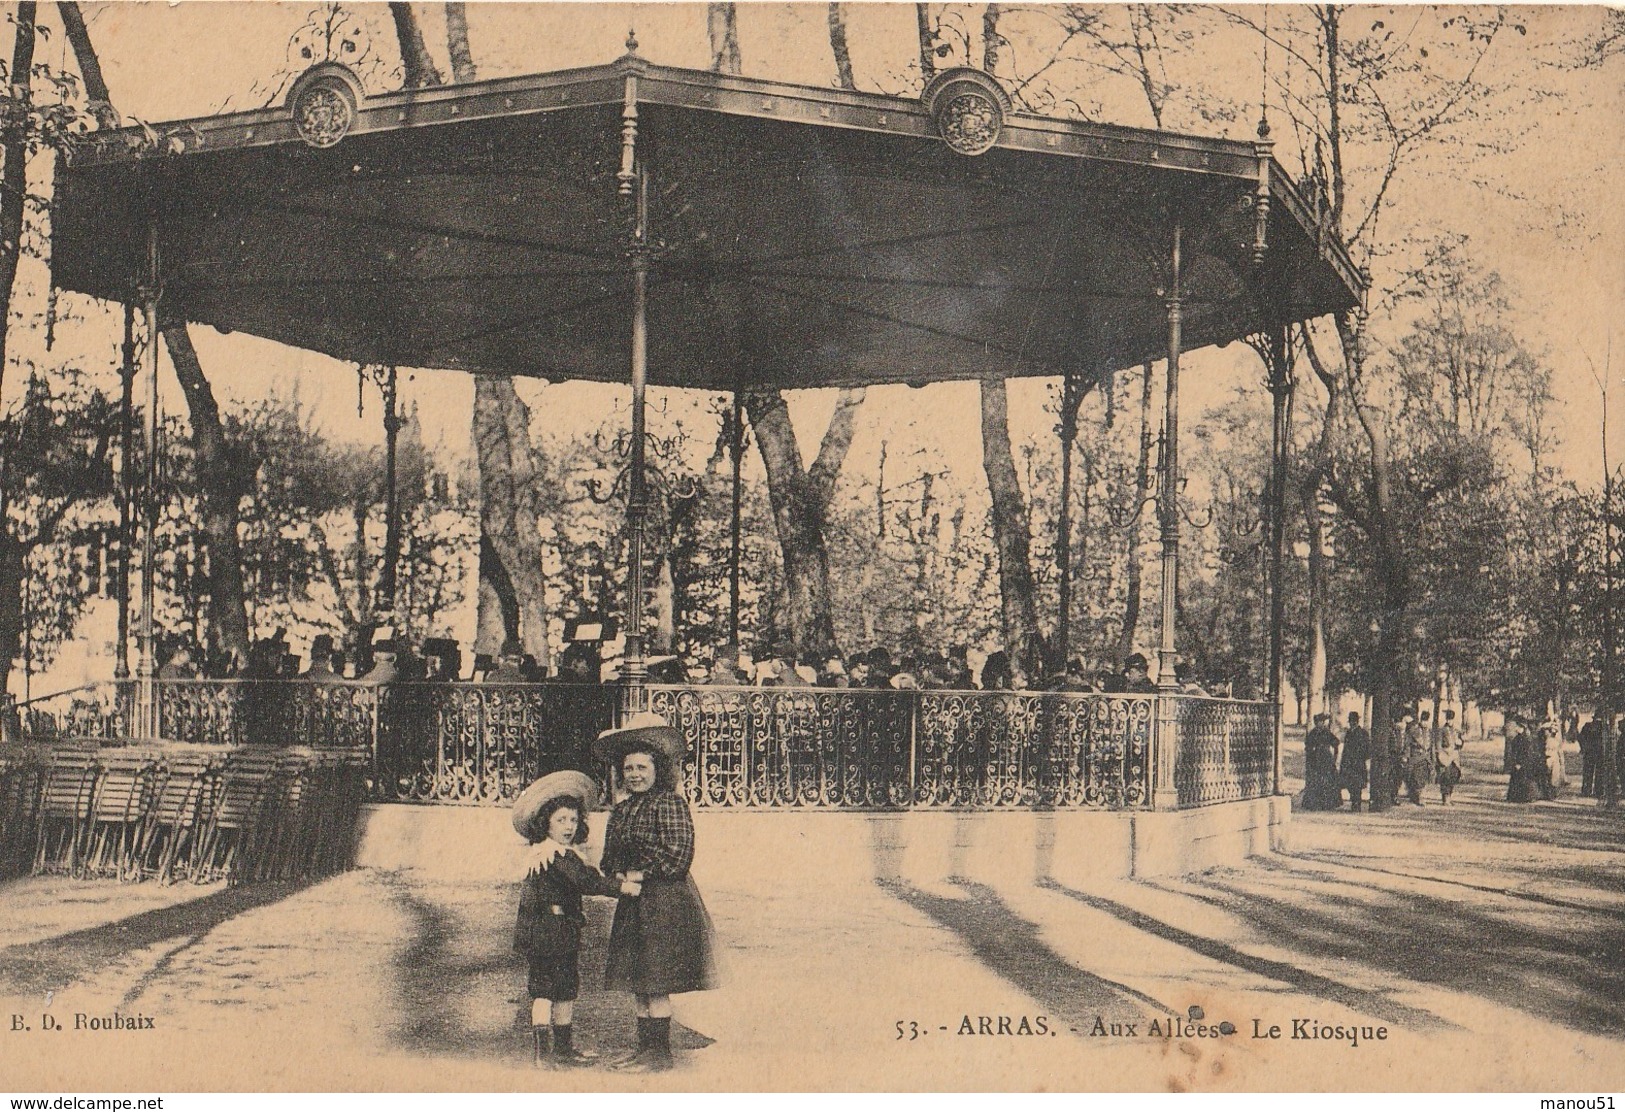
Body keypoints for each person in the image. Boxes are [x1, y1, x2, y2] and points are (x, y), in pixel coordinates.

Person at [592, 713, 718, 1072]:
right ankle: (643, 1050)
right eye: (628, 768)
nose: (634, 774)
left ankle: (659, 1056)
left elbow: (679, 856)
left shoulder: (669, 803)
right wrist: (616, 873)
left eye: (641, 767)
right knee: (638, 982)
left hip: (665, 903)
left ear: (656, 769)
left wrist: (637, 872)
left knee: (655, 981)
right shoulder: (622, 809)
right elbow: (607, 858)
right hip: (632, 903)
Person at [511, 771, 642, 1068]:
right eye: (561, 820)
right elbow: (587, 881)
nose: (568, 827)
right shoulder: (553, 855)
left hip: (558, 931)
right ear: (546, 823)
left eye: (573, 820)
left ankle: (562, 1050)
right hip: (549, 933)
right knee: (547, 990)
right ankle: (545, 1054)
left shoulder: (553, 853)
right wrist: (623, 887)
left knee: (566, 988)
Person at [1301, 713, 1341, 811]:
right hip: (1315, 760)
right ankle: (1314, 803)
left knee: (1327, 781)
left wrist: (1335, 757)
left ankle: (1328, 803)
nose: (1320, 724)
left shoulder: (1327, 732)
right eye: (1318, 722)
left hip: (1326, 759)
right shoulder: (1312, 733)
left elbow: (1336, 743)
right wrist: (1311, 753)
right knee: (1315, 781)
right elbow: (1307, 746)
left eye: (1321, 722)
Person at [1400, 711, 1434, 805]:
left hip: (1426, 758)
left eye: (1426, 721)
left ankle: (1418, 796)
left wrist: (1432, 758)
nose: (1425, 723)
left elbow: (1432, 746)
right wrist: (1406, 756)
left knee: (1423, 778)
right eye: (1423, 720)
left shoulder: (1429, 732)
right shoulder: (1414, 730)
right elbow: (1408, 745)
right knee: (1416, 778)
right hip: (1416, 757)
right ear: (1420, 720)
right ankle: (1418, 798)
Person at [1339, 711, 1371, 811]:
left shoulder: (1363, 733)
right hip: (1348, 763)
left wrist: (1362, 758)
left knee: (1357, 784)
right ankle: (1354, 801)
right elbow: (1345, 748)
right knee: (1350, 784)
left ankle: (1357, 804)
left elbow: (1367, 749)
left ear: (1357, 722)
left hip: (1358, 763)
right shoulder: (1348, 733)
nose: (1352, 723)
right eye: (1351, 721)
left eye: (1354, 721)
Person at [1433, 708, 1464, 805]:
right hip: (1445, 756)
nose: (1449, 721)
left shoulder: (1456, 730)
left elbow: (1460, 743)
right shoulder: (1441, 730)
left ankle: (1449, 796)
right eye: (1448, 719)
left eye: (1451, 719)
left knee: (1454, 775)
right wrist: (1440, 755)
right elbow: (1438, 744)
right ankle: (1445, 798)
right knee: (1445, 776)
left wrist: (1461, 743)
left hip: (1454, 757)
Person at [1579, 712, 1604, 797]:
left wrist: (1583, 747)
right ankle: (1595, 791)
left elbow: (1580, 737)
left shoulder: (1589, 726)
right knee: (1594, 772)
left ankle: (1590, 791)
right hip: (1595, 752)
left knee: (1593, 772)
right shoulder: (1601, 727)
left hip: (1595, 752)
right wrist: (1583, 747)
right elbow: (1581, 737)